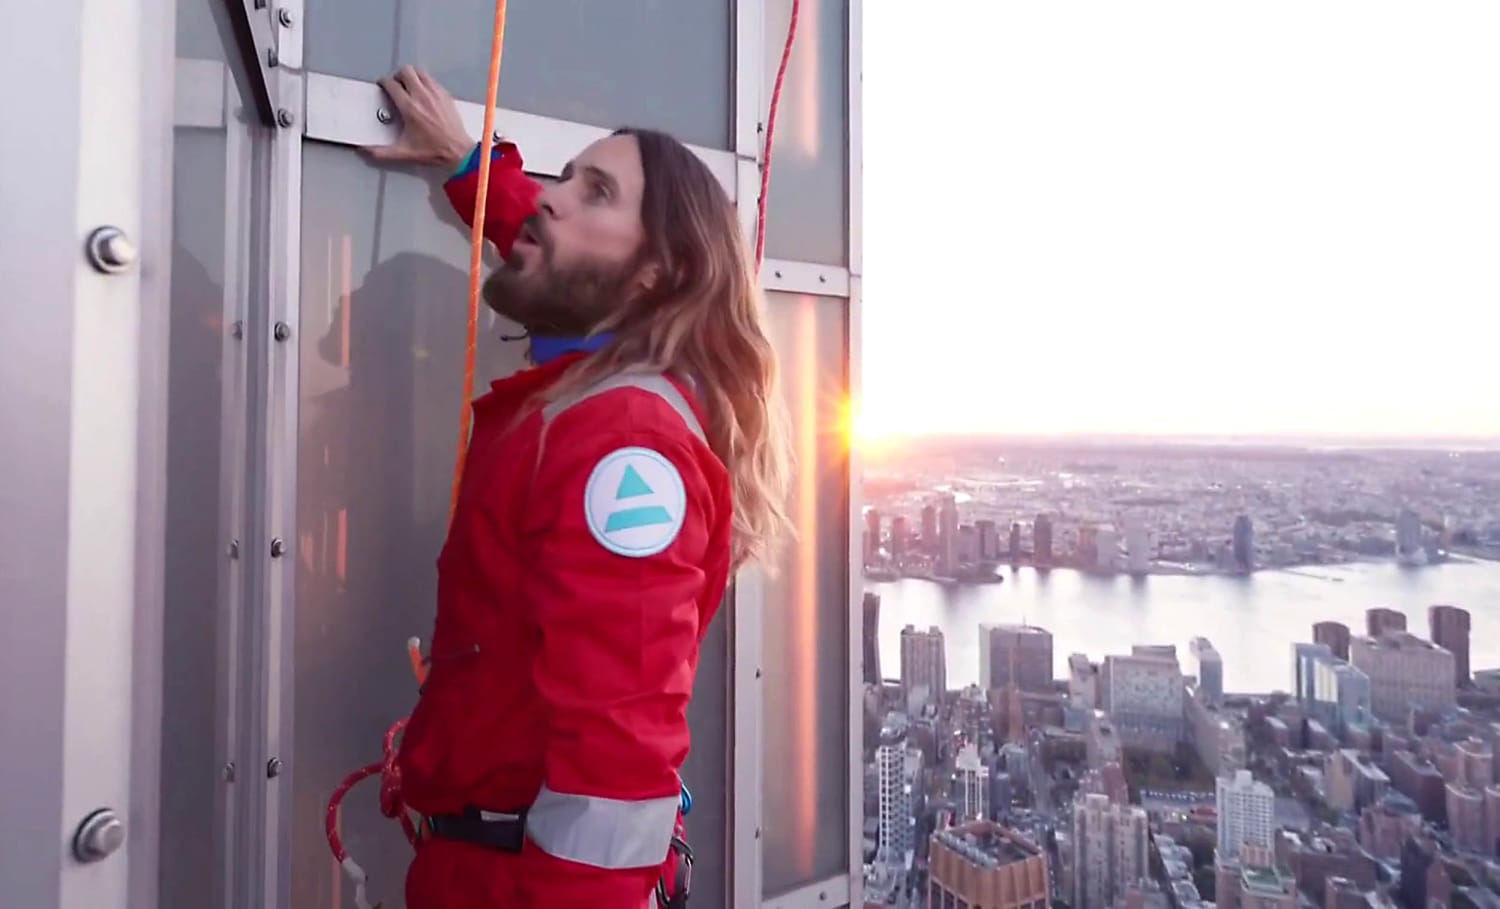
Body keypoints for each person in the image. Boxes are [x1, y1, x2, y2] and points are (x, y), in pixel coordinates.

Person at [364, 65, 792, 909]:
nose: (554, 199)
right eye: (564, 178)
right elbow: (560, 245)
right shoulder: (607, 373)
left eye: (595, 190)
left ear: (656, 277)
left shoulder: (623, 442)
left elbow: (616, 766)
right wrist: (471, 168)